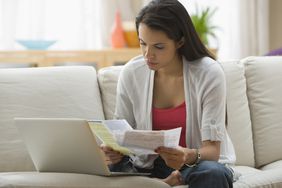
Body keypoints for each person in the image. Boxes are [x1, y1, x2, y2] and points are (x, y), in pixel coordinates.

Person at [101, 0, 236, 187]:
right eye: (143, 43)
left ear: (180, 41)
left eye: (159, 46)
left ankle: (160, 183)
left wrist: (188, 155)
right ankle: (164, 182)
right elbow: (121, 133)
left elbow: (212, 151)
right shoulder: (131, 73)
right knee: (112, 168)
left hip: (194, 163)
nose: (148, 54)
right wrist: (114, 151)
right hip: (147, 165)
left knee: (213, 173)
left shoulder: (208, 73)